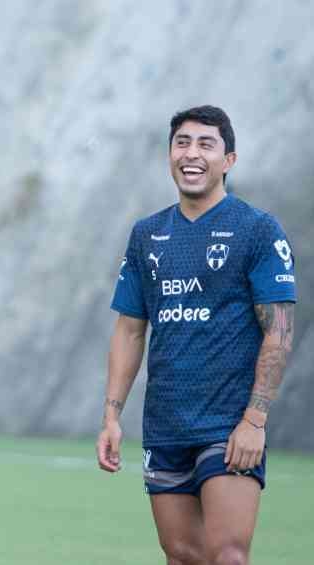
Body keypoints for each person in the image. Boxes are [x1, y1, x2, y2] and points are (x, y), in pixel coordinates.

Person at [97, 105, 296, 564]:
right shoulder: (146, 235)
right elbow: (129, 329)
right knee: (184, 555)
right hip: (166, 425)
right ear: (170, 155)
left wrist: (255, 421)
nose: (192, 153)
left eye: (206, 144)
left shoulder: (258, 231)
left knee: (227, 555)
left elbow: (279, 334)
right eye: (182, 143)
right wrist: (111, 416)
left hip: (228, 425)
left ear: (229, 160)